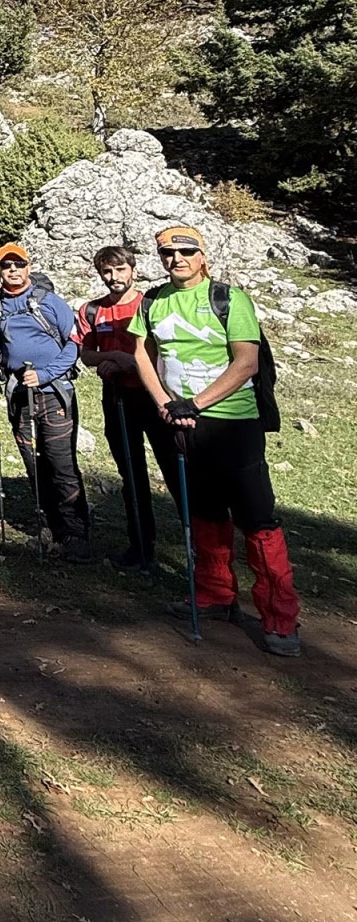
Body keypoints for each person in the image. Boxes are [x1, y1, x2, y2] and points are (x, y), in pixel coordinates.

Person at [131, 225, 301, 655]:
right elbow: (141, 353)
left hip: (233, 424)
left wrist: (195, 403)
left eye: (186, 251)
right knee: (204, 511)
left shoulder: (229, 298)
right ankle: (215, 594)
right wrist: (164, 404)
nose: (176, 259)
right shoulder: (152, 300)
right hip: (182, 424)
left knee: (257, 518)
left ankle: (280, 619)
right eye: (167, 253)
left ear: (202, 255)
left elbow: (246, 363)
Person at [0, 244, 91, 560]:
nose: (13, 270)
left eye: (18, 265)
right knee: (33, 463)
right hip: (20, 395)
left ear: (28, 267)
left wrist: (44, 374)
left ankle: (76, 533)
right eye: (6, 266)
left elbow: (74, 344)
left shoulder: (49, 302)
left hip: (55, 394)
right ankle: (52, 527)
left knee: (61, 464)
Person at [78, 243, 179, 571]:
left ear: (133, 270)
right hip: (117, 398)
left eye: (120, 269)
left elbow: (166, 351)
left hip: (156, 398)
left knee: (175, 470)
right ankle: (140, 548)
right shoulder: (92, 310)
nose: (114, 277)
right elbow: (86, 353)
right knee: (131, 474)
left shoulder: (150, 306)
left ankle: (200, 546)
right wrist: (112, 358)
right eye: (107, 271)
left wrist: (129, 363)